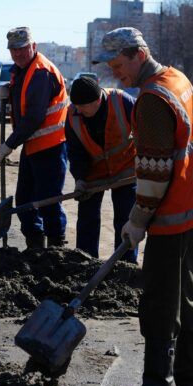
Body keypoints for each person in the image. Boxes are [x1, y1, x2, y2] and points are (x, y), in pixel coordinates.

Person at [93, 26, 193, 386]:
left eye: (119, 65)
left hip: (171, 210)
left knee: (158, 300)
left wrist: (136, 219)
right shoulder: (177, 78)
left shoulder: (150, 100)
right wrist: (176, 159)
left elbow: (153, 175)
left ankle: (159, 384)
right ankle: (191, 373)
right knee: (184, 288)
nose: (116, 74)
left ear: (137, 54)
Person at [0, 26, 69, 249]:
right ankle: (35, 246)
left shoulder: (40, 73)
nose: (17, 53)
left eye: (22, 48)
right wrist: (10, 90)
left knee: (48, 200)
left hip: (51, 147)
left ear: (33, 46)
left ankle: (56, 249)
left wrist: (8, 145)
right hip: (34, 145)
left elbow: (34, 117)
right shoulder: (23, 70)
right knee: (25, 199)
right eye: (13, 49)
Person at [64, 75, 138, 263]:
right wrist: (80, 178)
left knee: (125, 220)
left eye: (82, 107)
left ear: (97, 101)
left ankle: (125, 265)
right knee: (87, 219)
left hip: (126, 170)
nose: (78, 110)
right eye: (76, 106)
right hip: (93, 172)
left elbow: (146, 131)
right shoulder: (73, 114)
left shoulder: (123, 101)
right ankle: (85, 263)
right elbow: (75, 151)